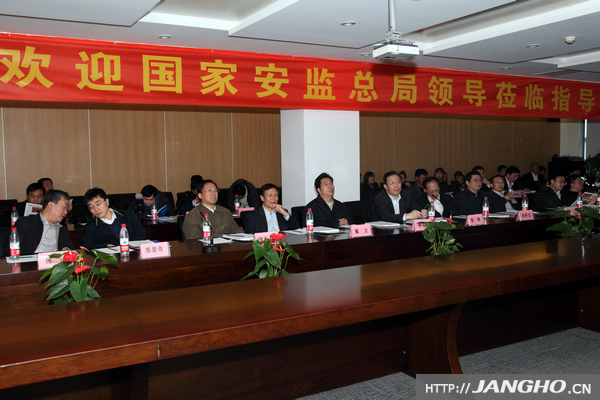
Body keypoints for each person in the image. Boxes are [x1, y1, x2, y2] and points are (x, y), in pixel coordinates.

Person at [11, 190, 74, 255]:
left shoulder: (62, 229)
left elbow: (70, 251)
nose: (65, 212)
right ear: (51, 205)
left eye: (67, 209)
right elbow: (14, 252)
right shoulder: (26, 223)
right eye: (64, 208)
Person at [81, 188, 146, 249]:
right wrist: (105, 246)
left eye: (98, 204)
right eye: (91, 207)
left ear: (107, 201)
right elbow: (86, 247)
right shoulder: (91, 227)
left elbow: (142, 235)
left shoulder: (128, 215)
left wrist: (123, 245)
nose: (96, 209)